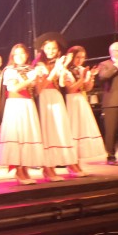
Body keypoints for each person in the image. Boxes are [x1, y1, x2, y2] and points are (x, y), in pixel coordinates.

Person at [0, 44, 44, 185]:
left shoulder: (30, 69)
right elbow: (14, 87)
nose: (20, 57)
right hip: (15, 105)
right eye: (16, 54)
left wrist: (39, 78)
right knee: (18, 136)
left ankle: (25, 169)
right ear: (12, 56)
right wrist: (30, 78)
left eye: (22, 54)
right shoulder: (10, 71)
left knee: (27, 136)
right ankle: (18, 171)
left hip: (28, 104)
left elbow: (37, 91)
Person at [33, 40, 77, 181]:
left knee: (60, 130)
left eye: (54, 48)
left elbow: (62, 84)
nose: (51, 51)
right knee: (48, 131)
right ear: (43, 49)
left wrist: (62, 67)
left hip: (56, 97)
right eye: (48, 48)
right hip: (45, 98)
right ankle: (47, 168)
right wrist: (56, 69)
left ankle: (67, 163)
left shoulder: (57, 62)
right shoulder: (39, 65)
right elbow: (41, 87)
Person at [63, 45, 105, 174]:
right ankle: (71, 164)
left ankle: (77, 163)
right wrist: (82, 78)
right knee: (73, 131)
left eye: (82, 57)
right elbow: (70, 89)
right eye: (77, 57)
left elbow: (87, 88)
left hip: (81, 101)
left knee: (81, 131)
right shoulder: (65, 70)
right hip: (70, 102)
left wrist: (91, 76)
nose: (80, 60)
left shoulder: (82, 70)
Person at [96, 40, 118, 165]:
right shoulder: (105, 64)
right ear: (113, 52)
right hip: (112, 102)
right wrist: (117, 65)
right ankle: (110, 157)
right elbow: (104, 77)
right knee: (111, 131)